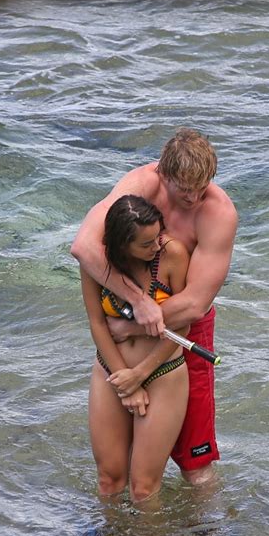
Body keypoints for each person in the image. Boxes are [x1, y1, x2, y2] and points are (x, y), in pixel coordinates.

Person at [72, 128, 238, 485]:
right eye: (184, 188)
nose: (194, 197)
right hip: (132, 306)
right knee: (118, 466)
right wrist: (136, 302)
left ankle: (212, 534)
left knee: (196, 462)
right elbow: (84, 248)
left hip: (184, 327)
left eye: (202, 186)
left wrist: (133, 324)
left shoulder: (218, 212)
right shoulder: (140, 184)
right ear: (163, 174)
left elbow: (194, 304)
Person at [80, 194, 190, 503]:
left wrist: (139, 375)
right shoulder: (97, 263)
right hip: (110, 371)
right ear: (120, 245)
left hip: (162, 373)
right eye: (146, 244)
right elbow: (97, 323)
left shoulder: (172, 255)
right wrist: (125, 382)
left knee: (142, 488)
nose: (156, 246)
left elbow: (183, 325)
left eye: (158, 237)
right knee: (109, 479)